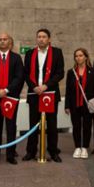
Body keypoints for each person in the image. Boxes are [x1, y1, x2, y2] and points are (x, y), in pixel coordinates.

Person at [23, 28, 65, 162]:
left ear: (49, 39)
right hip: (34, 93)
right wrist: (34, 87)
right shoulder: (30, 53)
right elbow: (26, 73)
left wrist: (46, 86)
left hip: (50, 93)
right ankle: (31, 151)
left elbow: (60, 73)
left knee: (52, 124)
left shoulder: (57, 53)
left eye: (44, 37)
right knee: (33, 124)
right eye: (39, 37)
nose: (41, 39)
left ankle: (53, 151)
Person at [0, 33, 24, 164]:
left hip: (10, 97)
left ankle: (10, 154)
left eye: (5, 39)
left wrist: (6, 90)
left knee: (11, 126)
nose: (2, 42)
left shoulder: (16, 58)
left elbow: (19, 78)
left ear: (10, 42)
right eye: (0, 39)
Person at [64, 48, 94, 159]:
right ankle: (77, 147)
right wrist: (67, 105)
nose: (78, 58)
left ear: (86, 57)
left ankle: (84, 147)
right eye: (76, 56)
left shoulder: (93, 71)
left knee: (87, 126)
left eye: (81, 55)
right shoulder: (71, 72)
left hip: (87, 103)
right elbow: (68, 90)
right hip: (74, 104)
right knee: (76, 126)